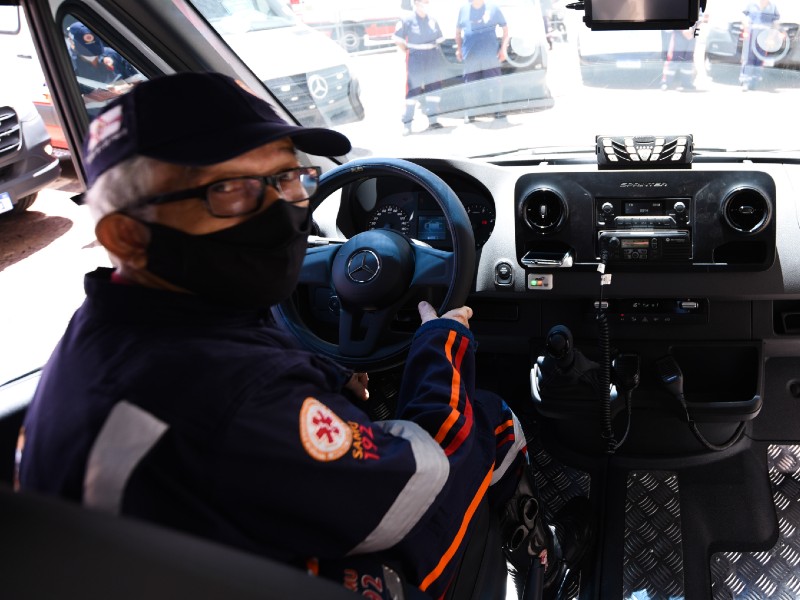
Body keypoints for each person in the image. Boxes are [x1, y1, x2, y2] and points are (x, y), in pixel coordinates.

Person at [15, 72, 588, 599]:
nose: (285, 209)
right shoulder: (230, 392)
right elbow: (422, 476)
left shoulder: (112, 325)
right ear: (128, 237)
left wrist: (327, 382)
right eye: (233, 190)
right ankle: (538, 563)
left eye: (287, 177)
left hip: (212, 555)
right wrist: (438, 343)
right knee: (486, 416)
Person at [393, 0, 446, 136]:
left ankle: (433, 121)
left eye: (427, 2)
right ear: (416, 3)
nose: (425, 4)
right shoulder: (407, 20)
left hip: (432, 56)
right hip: (415, 57)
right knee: (413, 90)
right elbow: (398, 40)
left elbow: (439, 39)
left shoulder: (433, 20)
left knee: (433, 88)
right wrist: (409, 51)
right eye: (423, 2)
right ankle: (407, 124)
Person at [455, 0, 509, 123]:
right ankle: (470, 113)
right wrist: (459, 49)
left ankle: (497, 110)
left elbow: (505, 30)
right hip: (471, 55)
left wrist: (503, 49)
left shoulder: (493, 8)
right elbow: (458, 32)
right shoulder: (463, 9)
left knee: (494, 83)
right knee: (470, 85)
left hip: (490, 54)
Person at [66, 21, 139, 84]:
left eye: (95, 50)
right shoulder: (69, 67)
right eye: (88, 52)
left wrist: (125, 86)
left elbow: (136, 79)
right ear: (71, 43)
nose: (94, 56)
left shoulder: (112, 54)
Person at [739, 0, 781, 91]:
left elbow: (776, 24)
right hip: (751, 35)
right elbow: (744, 17)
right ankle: (745, 81)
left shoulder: (773, 7)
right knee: (748, 58)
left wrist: (771, 36)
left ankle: (754, 82)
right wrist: (746, 27)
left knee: (759, 59)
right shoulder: (751, 4)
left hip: (764, 38)